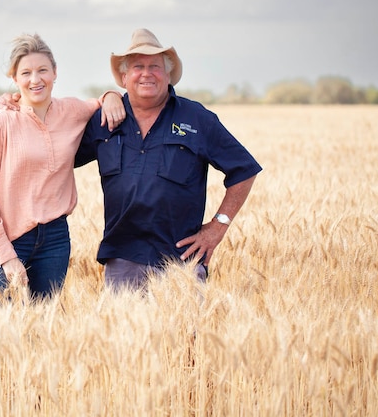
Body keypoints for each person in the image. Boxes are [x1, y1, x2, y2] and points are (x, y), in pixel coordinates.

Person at [74, 28, 262, 291]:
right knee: (123, 334)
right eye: (138, 66)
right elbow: (57, 155)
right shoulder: (104, 120)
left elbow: (244, 169)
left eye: (155, 66)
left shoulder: (197, 118)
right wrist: (17, 106)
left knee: (184, 333)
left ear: (168, 74)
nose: (147, 73)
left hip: (181, 262)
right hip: (122, 260)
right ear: (125, 77)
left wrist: (218, 227)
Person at [0, 33, 126, 301]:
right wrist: (7, 257)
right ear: (15, 79)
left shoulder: (72, 111)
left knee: (42, 329)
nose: (35, 79)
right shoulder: (1, 122)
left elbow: (100, 103)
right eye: (26, 73)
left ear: (55, 73)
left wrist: (112, 95)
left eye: (42, 70)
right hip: (3, 237)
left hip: (54, 240)